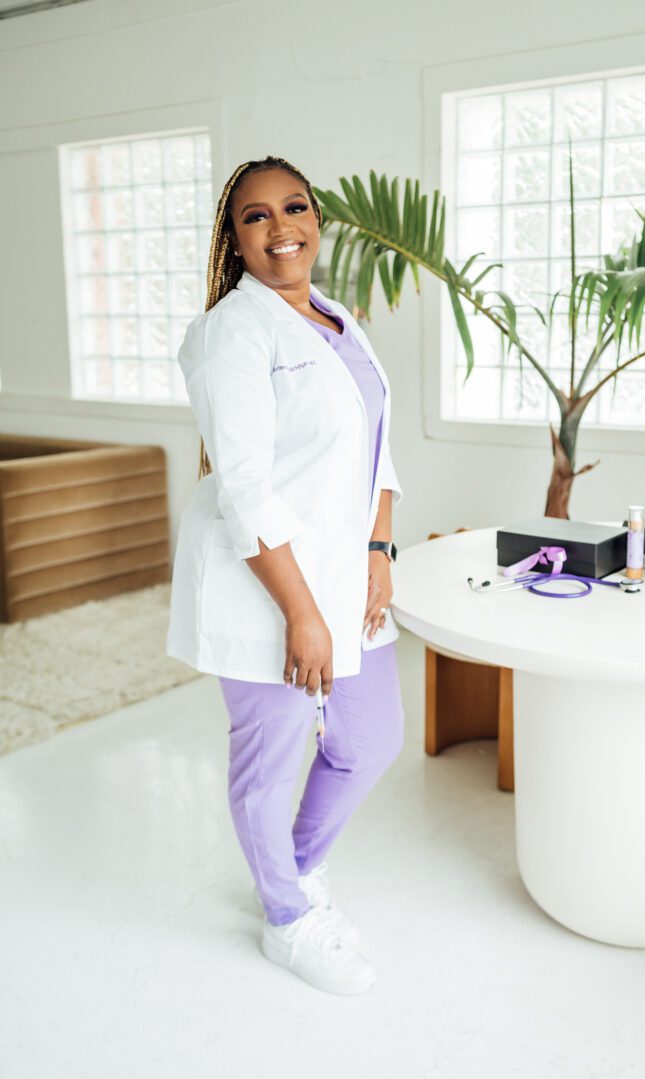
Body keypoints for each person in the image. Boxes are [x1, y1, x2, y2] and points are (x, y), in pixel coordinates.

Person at [165, 155, 405, 996]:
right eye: (255, 217)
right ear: (233, 242)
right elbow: (243, 485)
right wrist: (303, 613)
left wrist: (380, 552)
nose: (281, 229)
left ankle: (296, 873)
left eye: (294, 207)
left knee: (371, 738)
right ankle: (289, 917)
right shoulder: (235, 330)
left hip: (348, 572)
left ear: (317, 218)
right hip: (265, 582)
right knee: (267, 761)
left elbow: (378, 451)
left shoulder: (337, 318)